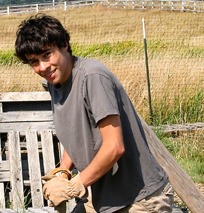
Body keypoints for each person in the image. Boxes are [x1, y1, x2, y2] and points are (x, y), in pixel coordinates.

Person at [14, 13, 174, 213]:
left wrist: (73, 186)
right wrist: (63, 171)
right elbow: (75, 133)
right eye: (34, 62)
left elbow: (115, 147)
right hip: (103, 197)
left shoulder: (92, 77)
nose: (43, 67)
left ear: (64, 44)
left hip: (139, 199)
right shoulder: (55, 83)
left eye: (47, 55)